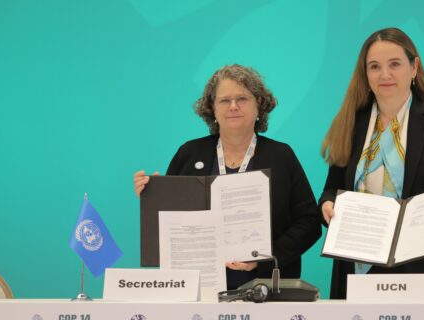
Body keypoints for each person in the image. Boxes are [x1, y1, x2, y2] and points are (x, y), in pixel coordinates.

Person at [134, 64, 322, 289]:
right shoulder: (189, 153)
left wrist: (263, 258)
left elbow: (310, 223)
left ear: (258, 105)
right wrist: (153, 197)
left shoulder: (281, 156)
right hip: (198, 288)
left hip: (266, 289)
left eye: (242, 98)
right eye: (224, 100)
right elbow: (168, 227)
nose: (233, 106)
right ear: (212, 109)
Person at [319, 27, 424, 300]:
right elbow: (331, 188)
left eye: (395, 64)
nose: (385, 74)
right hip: (358, 264)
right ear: (365, 74)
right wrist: (327, 205)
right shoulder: (351, 122)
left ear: (414, 68)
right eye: (375, 67)